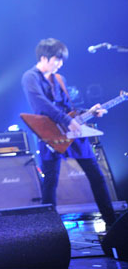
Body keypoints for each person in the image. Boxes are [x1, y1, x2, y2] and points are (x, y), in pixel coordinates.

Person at [21, 38, 116, 229]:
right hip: (50, 134)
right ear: (44, 57)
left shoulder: (59, 79)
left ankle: (112, 223)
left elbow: (67, 108)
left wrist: (88, 111)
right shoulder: (30, 77)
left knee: (97, 176)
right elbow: (41, 105)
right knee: (51, 181)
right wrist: (67, 121)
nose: (60, 64)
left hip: (72, 131)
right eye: (57, 59)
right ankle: (48, 229)